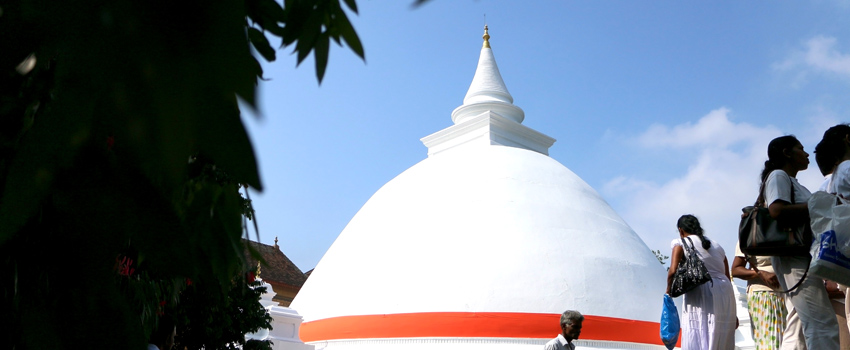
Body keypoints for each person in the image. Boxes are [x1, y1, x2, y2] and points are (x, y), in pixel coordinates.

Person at [760, 135, 839, 349]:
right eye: (800, 149)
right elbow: (777, 210)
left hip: (800, 257)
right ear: (787, 153)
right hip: (793, 258)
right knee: (822, 323)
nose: (806, 154)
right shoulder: (778, 176)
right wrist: (821, 204)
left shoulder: (791, 181)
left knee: (812, 323)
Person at [665, 214, 736, 349]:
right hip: (725, 293)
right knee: (720, 335)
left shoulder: (680, 243)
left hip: (700, 290)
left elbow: (673, 271)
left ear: (680, 230)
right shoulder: (717, 246)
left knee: (699, 332)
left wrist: (668, 291)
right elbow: (726, 275)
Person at [731, 242, 787, 349]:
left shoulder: (786, 230)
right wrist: (760, 273)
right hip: (764, 295)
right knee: (770, 342)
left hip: (789, 293)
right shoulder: (750, 233)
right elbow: (736, 269)